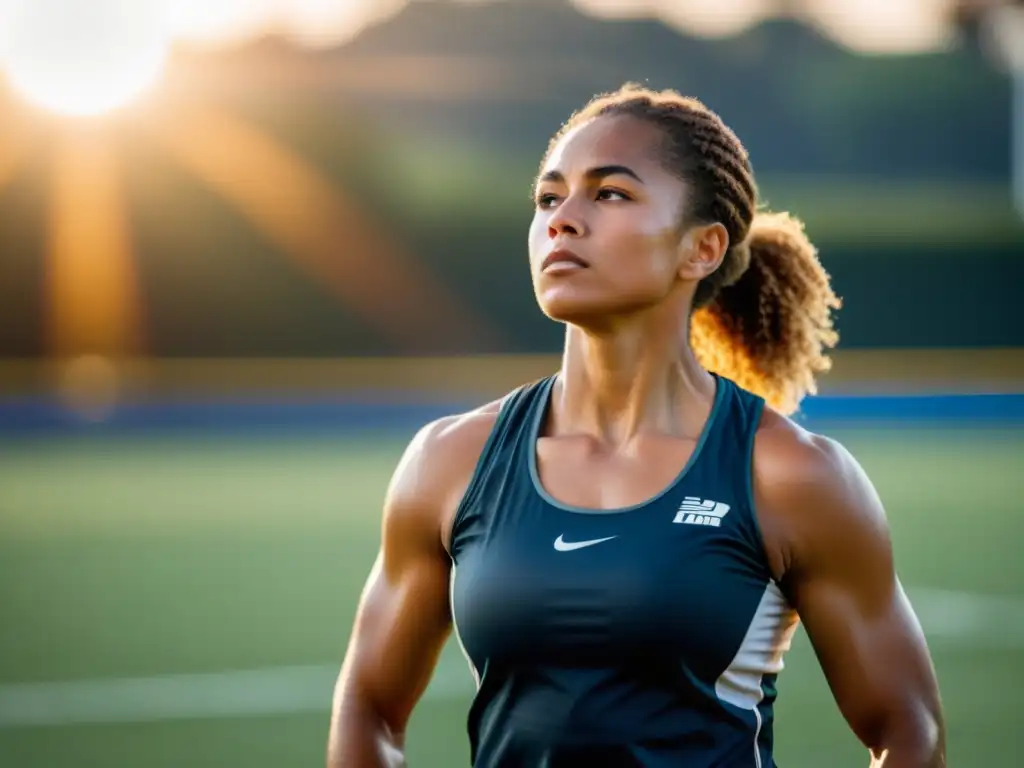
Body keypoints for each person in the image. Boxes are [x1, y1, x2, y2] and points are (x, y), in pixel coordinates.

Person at [326, 83, 945, 768]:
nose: (562, 219)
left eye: (610, 193)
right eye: (548, 197)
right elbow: (370, 710)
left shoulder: (790, 475)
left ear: (702, 249)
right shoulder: (450, 461)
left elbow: (907, 729)